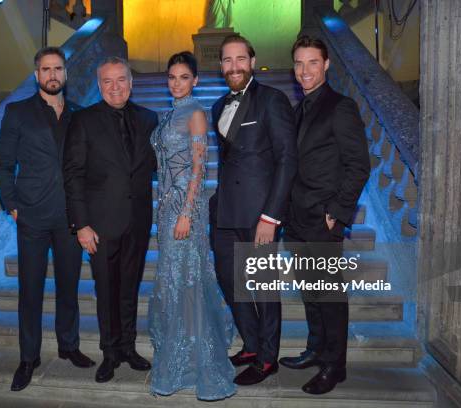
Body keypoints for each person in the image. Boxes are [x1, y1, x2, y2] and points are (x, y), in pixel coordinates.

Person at [0, 46, 95, 392]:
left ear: (65, 74)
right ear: (37, 74)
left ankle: (69, 346)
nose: (52, 75)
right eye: (46, 69)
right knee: (31, 290)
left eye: (58, 69)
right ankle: (28, 358)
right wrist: (12, 205)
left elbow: (85, 167)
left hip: (69, 216)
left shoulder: (80, 115)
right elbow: (4, 164)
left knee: (68, 286)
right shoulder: (17, 112)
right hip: (32, 216)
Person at [280, 35, 370, 395]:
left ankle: (336, 365)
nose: (305, 71)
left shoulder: (340, 106)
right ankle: (316, 350)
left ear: (327, 64)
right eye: (299, 63)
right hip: (298, 219)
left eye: (312, 63)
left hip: (322, 219)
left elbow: (358, 165)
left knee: (330, 295)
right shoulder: (298, 109)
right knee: (311, 293)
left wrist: (337, 210)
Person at [63, 56, 158, 383]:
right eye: (108, 81)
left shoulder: (149, 118)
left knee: (130, 287)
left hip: (138, 220)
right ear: (99, 84)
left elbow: (158, 164)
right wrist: (81, 224)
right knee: (106, 289)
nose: (115, 87)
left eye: (121, 80)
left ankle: (129, 347)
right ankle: (110, 352)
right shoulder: (83, 120)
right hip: (100, 224)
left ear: (131, 83)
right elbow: (73, 175)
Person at [209, 35, 298, 386]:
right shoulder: (218, 107)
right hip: (225, 213)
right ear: (220, 66)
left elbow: (287, 160)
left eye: (240, 59)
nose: (234, 66)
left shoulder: (272, 101)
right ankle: (250, 343)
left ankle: (267, 358)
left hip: (260, 213)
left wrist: (271, 217)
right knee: (230, 282)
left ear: (252, 60)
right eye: (228, 61)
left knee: (263, 287)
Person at [148, 51, 236, 400]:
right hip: (167, 208)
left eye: (184, 77)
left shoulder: (197, 113)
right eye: (172, 77)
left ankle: (195, 358)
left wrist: (186, 213)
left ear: (195, 80)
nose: (177, 82)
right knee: (175, 278)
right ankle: (179, 350)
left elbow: (200, 169)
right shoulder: (169, 113)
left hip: (186, 210)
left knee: (187, 279)